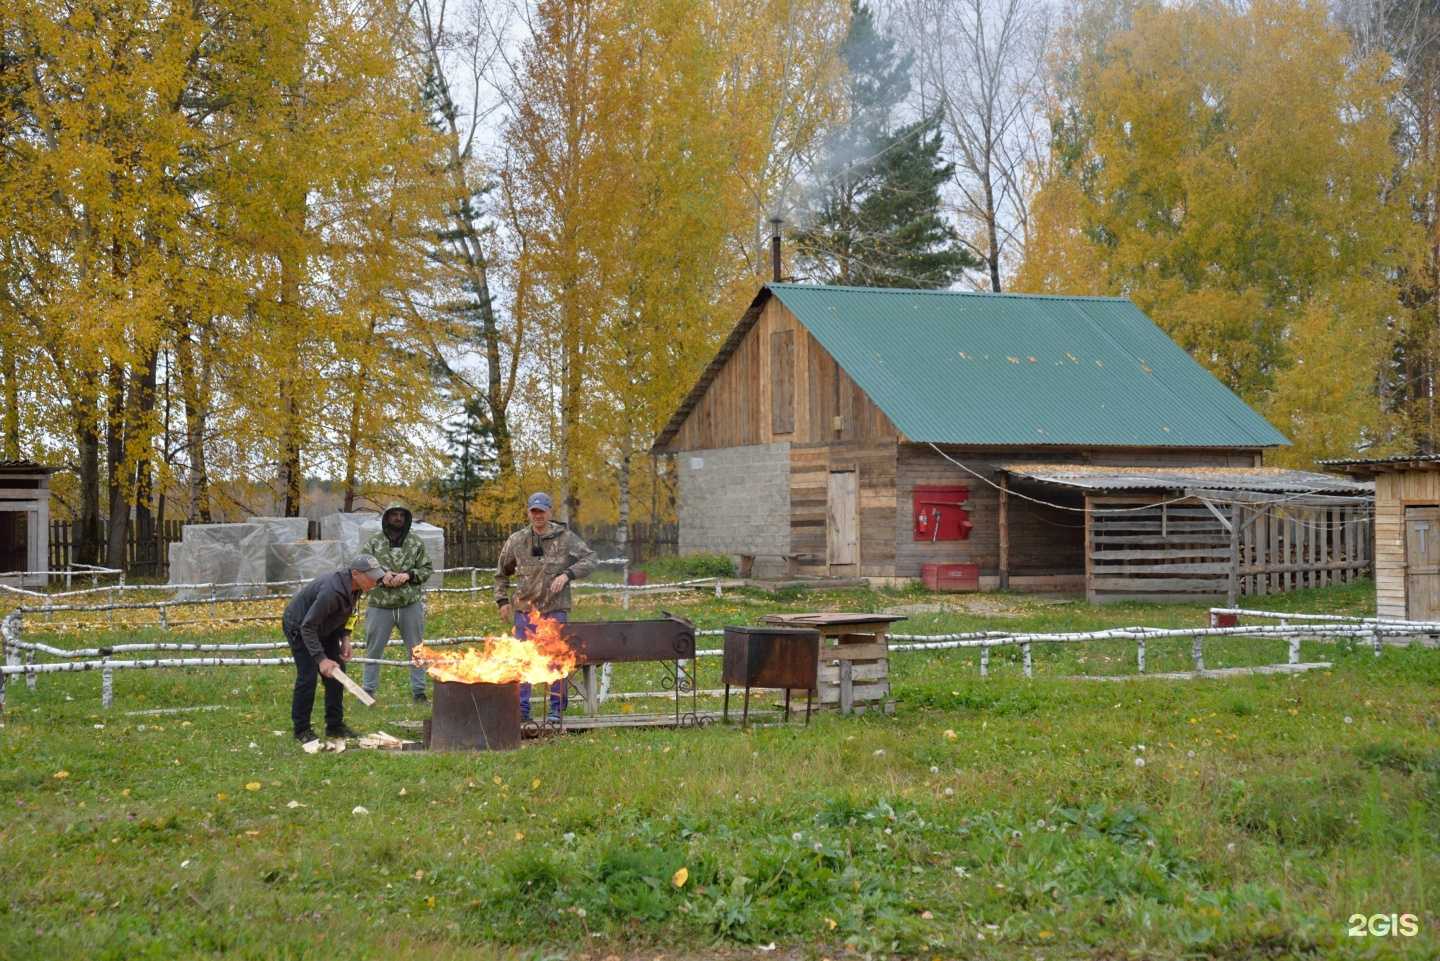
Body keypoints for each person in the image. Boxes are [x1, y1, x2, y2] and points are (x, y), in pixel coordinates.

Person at [495, 492, 596, 723]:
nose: (538, 515)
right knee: (523, 660)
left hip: (555, 609)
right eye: (534, 511)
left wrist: (568, 574)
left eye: (542, 511)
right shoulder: (517, 540)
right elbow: (501, 573)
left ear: (549, 512)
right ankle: (521, 710)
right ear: (529, 513)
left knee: (557, 660)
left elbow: (590, 559)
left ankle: (555, 710)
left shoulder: (565, 538)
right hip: (525, 611)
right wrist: (501, 601)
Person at [282, 555, 385, 745]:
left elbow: (347, 612)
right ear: (356, 574)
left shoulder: (357, 587)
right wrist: (321, 659)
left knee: (338, 671)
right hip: (300, 627)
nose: (375, 580)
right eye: (371, 576)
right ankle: (301, 730)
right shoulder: (331, 590)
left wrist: (345, 637)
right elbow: (308, 627)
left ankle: (335, 726)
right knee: (308, 676)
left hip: (325, 627)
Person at [361, 504, 434, 703]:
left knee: (416, 649)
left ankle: (419, 691)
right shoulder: (374, 543)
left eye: (402, 515)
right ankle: (367, 690)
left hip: (409, 604)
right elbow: (362, 566)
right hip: (379, 605)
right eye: (394, 514)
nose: (398, 518)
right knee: (373, 649)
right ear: (387, 517)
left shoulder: (416, 543)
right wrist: (382, 576)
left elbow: (427, 569)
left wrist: (408, 575)